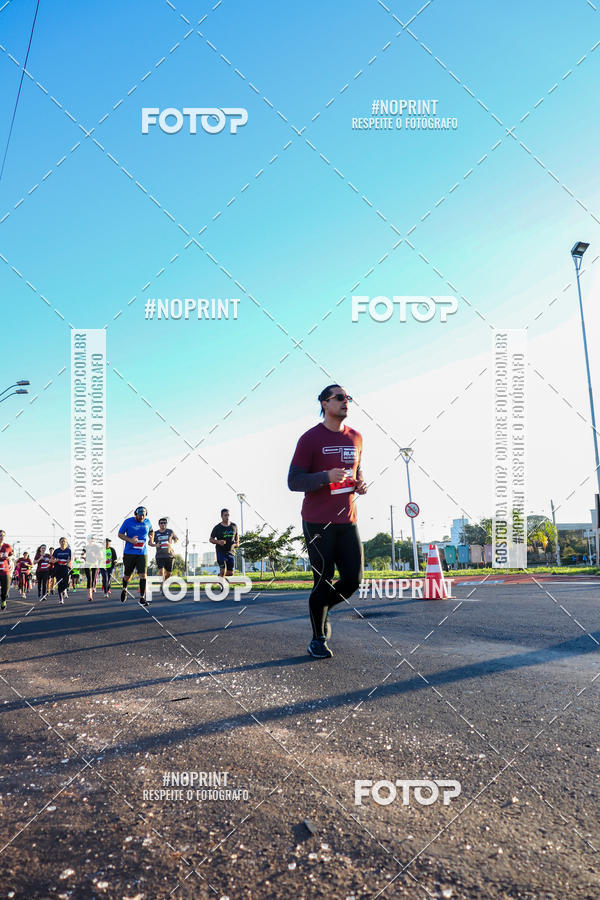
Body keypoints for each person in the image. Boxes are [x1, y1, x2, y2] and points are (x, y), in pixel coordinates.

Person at [288, 385, 367, 659]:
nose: (346, 402)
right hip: (317, 522)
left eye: (349, 398)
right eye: (340, 398)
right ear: (324, 403)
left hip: (348, 520)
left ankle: (323, 608)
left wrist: (360, 483)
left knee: (353, 580)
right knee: (323, 579)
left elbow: (357, 469)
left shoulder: (356, 437)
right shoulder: (309, 439)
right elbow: (293, 481)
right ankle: (317, 639)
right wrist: (325, 477)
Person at [118, 507, 153, 605]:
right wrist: (130, 540)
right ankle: (124, 588)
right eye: (140, 515)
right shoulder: (128, 522)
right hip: (129, 553)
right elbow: (120, 534)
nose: (141, 517)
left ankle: (142, 598)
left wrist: (151, 539)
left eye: (143, 515)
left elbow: (151, 530)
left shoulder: (147, 522)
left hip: (142, 553)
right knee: (127, 576)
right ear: (136, 514)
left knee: (143, 575)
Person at [150, 517, 178, 589]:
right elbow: (150, 543)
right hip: (160, 556)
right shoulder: (155, 533)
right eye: (161, 523)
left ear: (166, 524)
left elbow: (176, 539)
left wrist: (170, 544)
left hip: (169, 555)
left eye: (164, 523)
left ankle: (164, 583)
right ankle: (163, 586)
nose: (163, 524)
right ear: (159, 524)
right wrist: (156, 545)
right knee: (161, 573)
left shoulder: (170, 531)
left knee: (169, 573)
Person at [209, 510, 238, 578]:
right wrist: (218, 542)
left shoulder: (234, 526)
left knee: (230, 573)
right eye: (225, 515)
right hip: (220, 551)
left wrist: (237, 543)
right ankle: (222, 583)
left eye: (228, 515)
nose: (227, 517)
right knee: (223, 569)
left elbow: (237, 537)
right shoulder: (217, 527)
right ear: (221, 516)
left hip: (230, 552)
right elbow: (211, 539)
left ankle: (220, 576)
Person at [51, 538, 72, 604]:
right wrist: (55, 560)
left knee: (66, 583)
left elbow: (72, 559)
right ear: (59, 542)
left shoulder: (69, 550)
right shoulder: (57, 551)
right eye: (62, 541)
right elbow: (51, 560)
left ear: (66, 542)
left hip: (65, 567)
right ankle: (60, 599)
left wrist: (69, 560)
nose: (63, 543)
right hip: (58, 568)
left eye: (64, 541)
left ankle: (64, 590)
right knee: (59, 583)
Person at [0, 530, 14, 611]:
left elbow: (11, 555)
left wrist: (9, 558)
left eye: (3, 535)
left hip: (5, 570)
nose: (1, 537)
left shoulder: (7, 546)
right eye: (0, 535)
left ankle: (3, 600)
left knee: (6, 588)